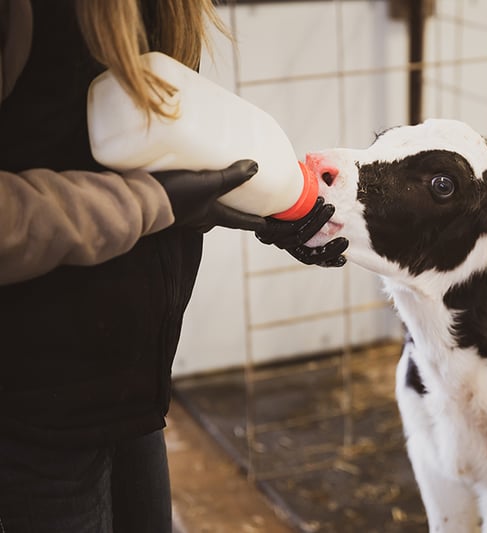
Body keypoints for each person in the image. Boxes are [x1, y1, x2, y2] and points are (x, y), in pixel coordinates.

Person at [0, 1, 347, 531]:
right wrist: (148, 203)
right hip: (32, 414)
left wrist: (234, 204)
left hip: (130, 393)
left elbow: (147, 150)